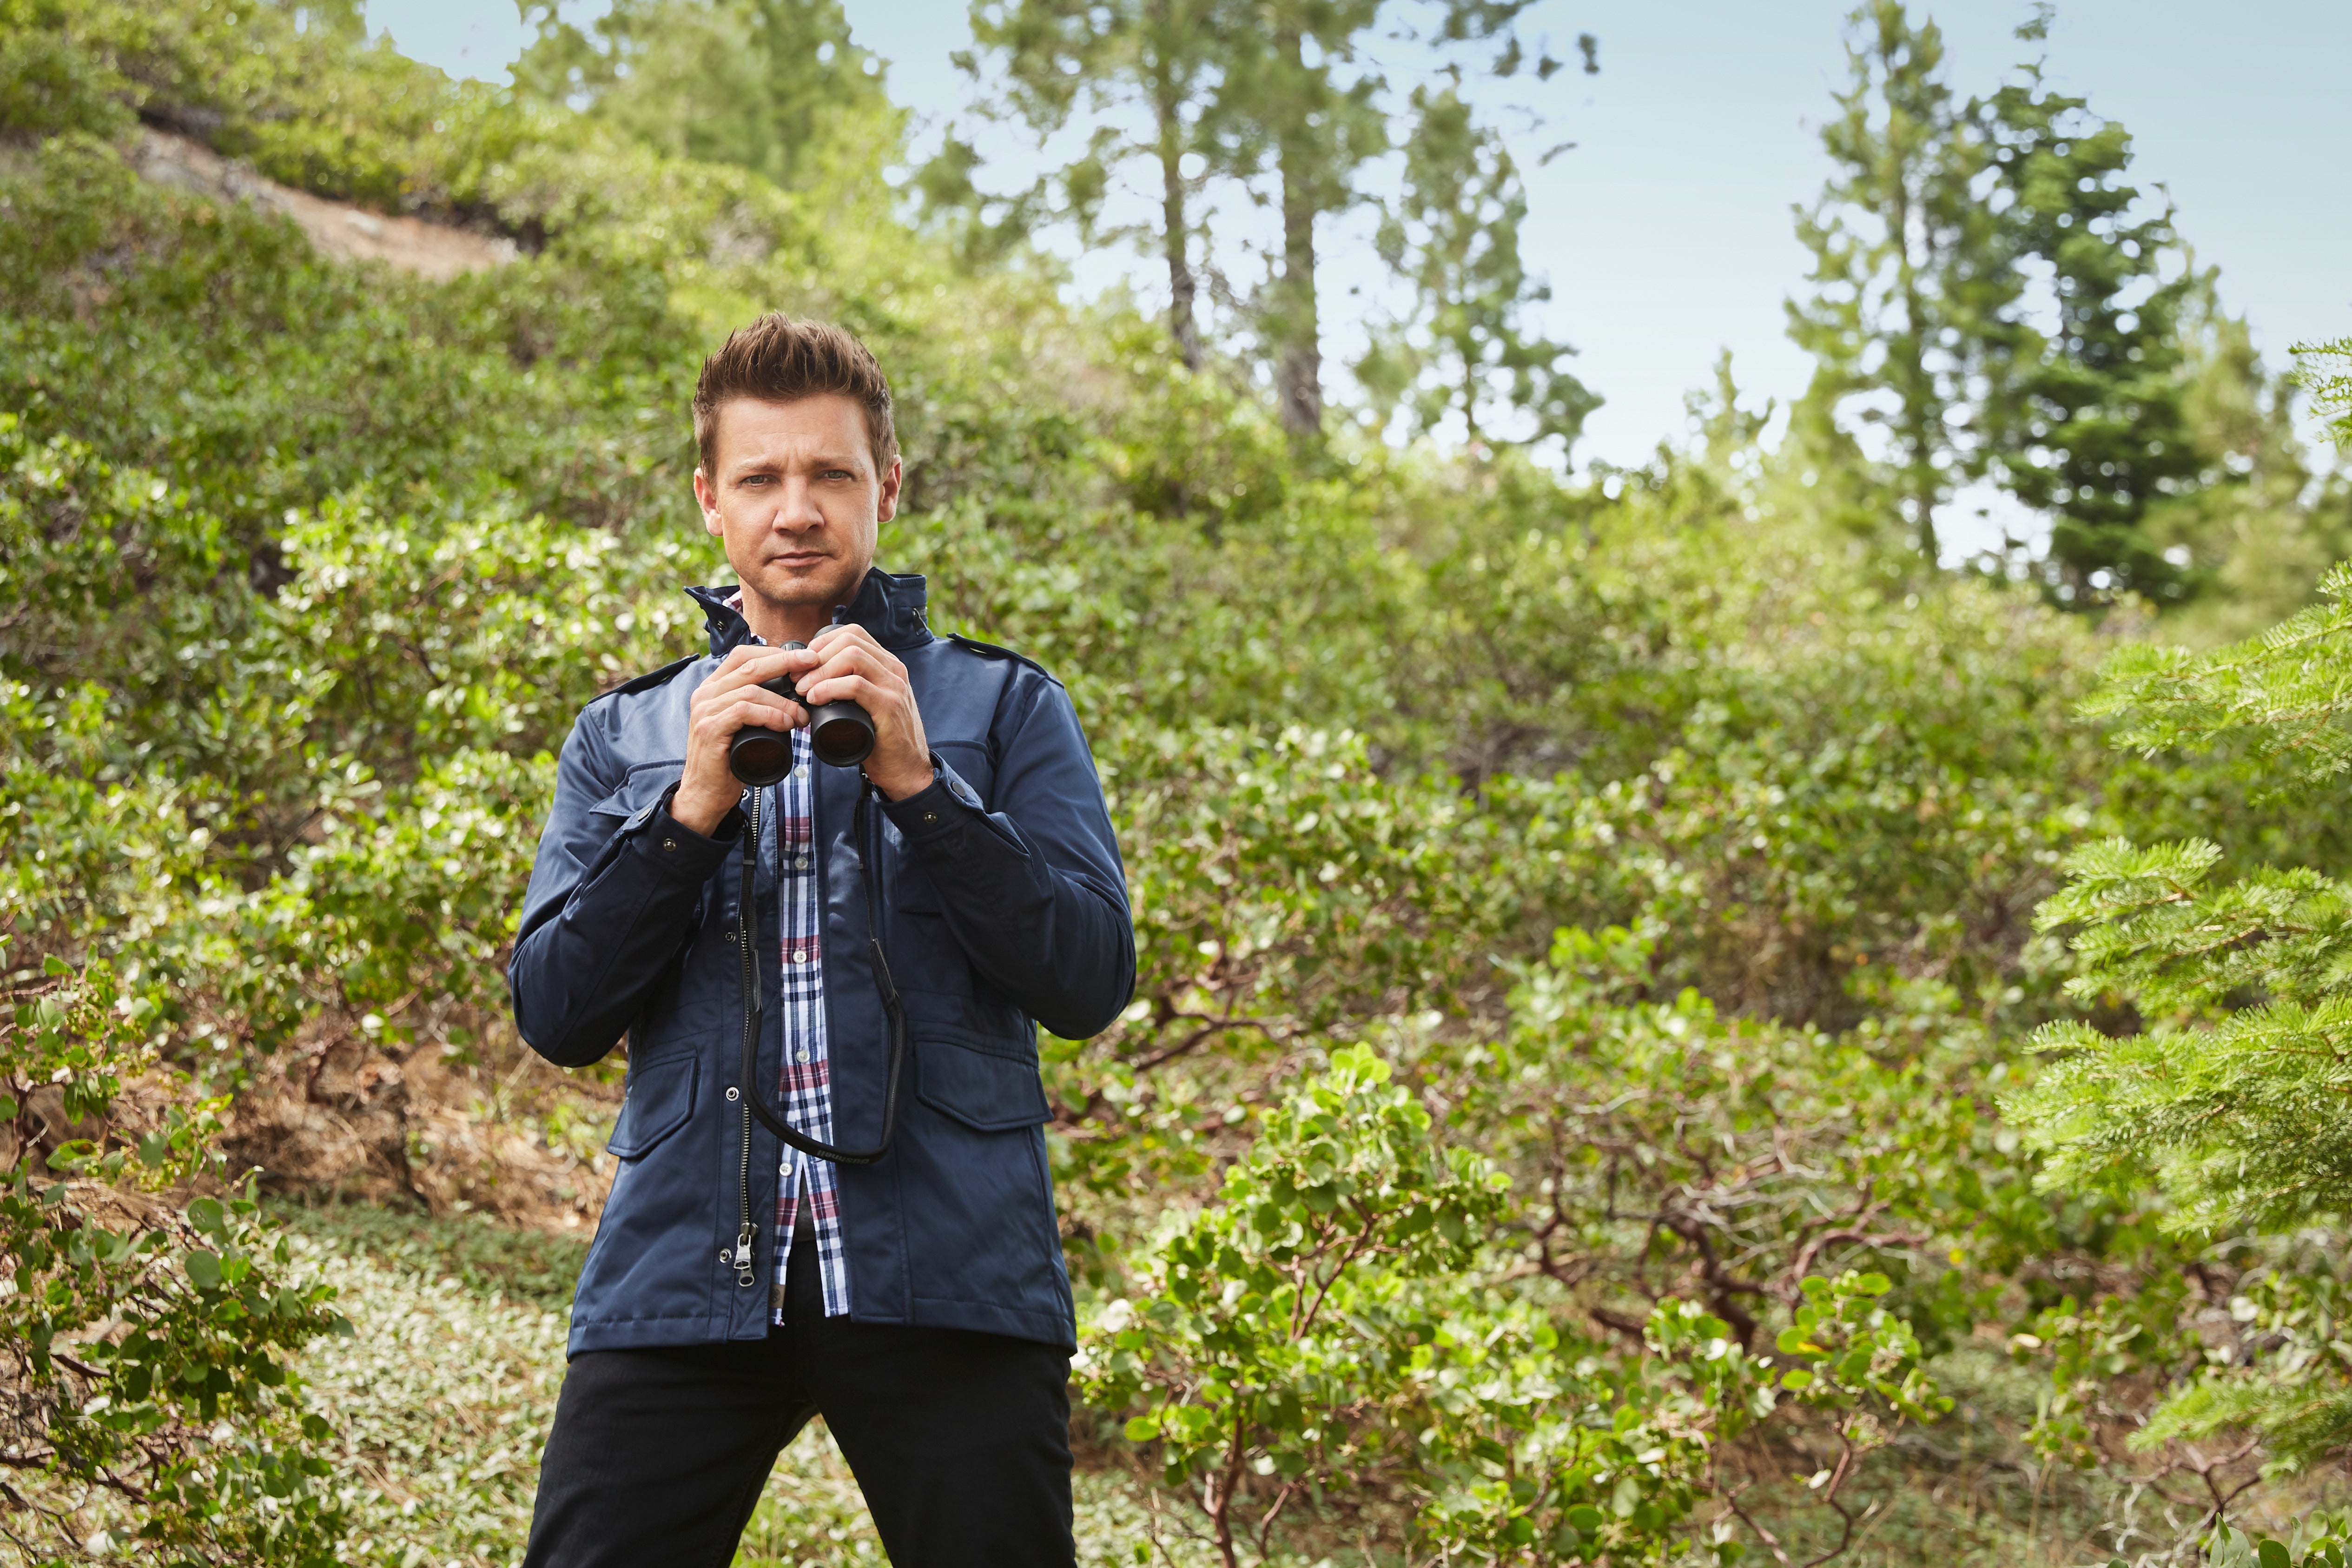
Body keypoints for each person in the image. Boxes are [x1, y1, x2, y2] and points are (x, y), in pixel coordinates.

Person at [507, 314, 1134, 1567]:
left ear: (885, 490)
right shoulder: (624, 735)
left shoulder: (1004, 707)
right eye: (761, 477)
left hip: (949, 1265)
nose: (797, 508)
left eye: (831, 474)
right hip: (685, 1268)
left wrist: (921, 784)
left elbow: (1086, 979)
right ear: (710, 501)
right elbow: (556, 1014)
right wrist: (686, 812)